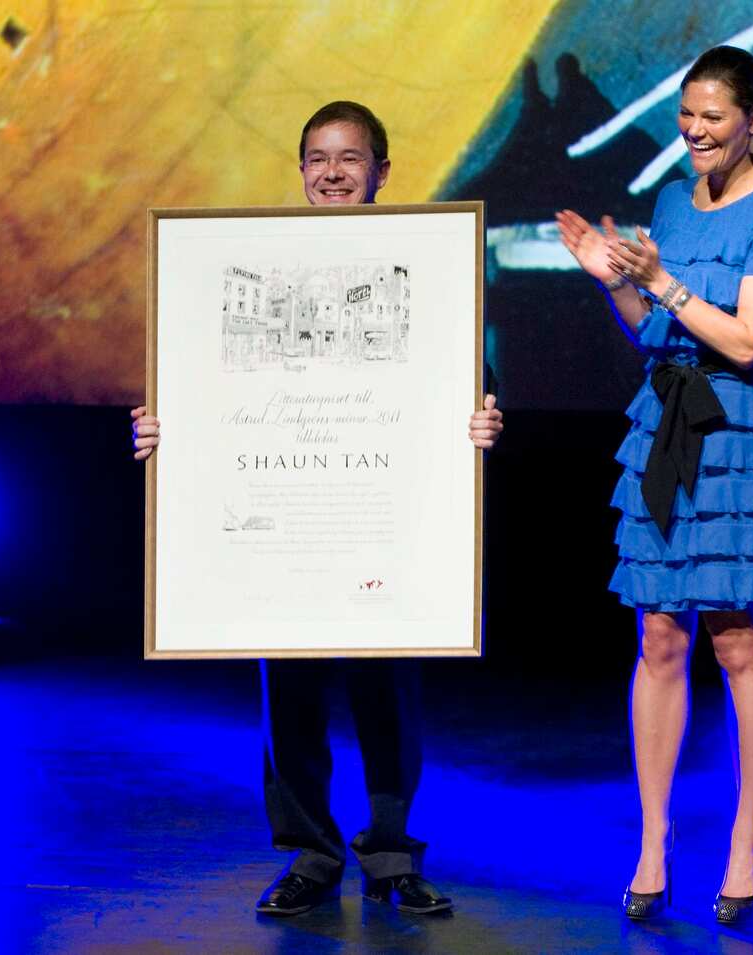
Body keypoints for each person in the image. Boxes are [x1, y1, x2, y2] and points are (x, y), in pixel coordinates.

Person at [131, 101, 503, 917]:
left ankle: (392, 855)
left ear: (382, 171)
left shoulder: (425, 264)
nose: (331, 172)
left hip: (378, 521)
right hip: (283, 524)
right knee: (289, 698)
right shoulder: (251, 262)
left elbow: (456, 382)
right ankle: (309, 853)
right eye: (316, 158)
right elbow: (204, 384)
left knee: (387, 697)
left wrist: (480, 419)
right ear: (301, 171)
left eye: (349, 157)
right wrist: (165, 432)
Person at [556, 46, 753, 925]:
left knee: (736, 640)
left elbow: (744, 341)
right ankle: (654, 840)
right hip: (666, 421)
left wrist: (657, 280)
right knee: (659, 637)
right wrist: (612, 286)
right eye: (686, 115)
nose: (695, 131)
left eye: (713, 116)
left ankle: (746, 836)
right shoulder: (671, 202)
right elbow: (652, 336)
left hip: (737, 435)